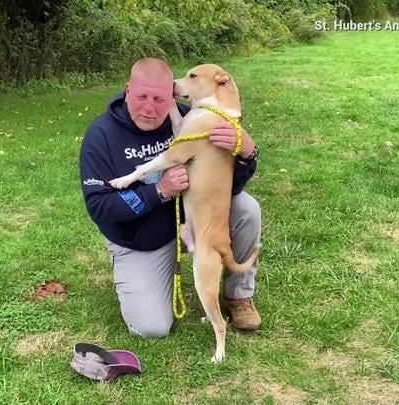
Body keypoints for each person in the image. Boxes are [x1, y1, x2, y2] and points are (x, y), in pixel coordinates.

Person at [78, 57, 262, 338]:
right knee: (152, 328)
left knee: (246, 209)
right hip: (141, 239)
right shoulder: (101, 135)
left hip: (194, 217)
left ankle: (238, 295)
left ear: (172, 96)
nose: (150, 109)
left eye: (160, 99)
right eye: (141, 97)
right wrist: (159, 190)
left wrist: (247, 154)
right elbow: (99, 207)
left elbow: (228, 186)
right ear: (128, 90)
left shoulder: (192, 122)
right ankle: (138, 274)